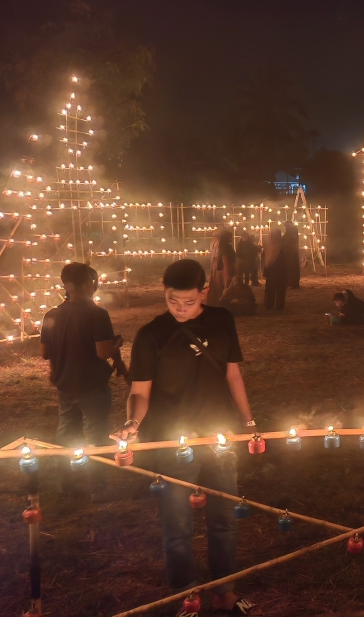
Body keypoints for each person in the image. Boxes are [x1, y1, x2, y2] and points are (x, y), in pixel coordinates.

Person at [111, 259, 260, 616]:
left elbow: (233, 375)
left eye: (188, 301)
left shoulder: (222, 320)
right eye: (172, 300)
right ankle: (186, 596)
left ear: (204, 292)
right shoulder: (151, 335)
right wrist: (132, 422)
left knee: (223, 518)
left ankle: (225, 591)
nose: (180, 308)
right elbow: (140, 392)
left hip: (218, 436)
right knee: (177, 523)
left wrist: (249, 421)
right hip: (170, 441)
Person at [41, 263, 126, 497]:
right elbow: (102, 352)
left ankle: (64, 482)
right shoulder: (97, 314)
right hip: (91, 385)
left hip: (65, 383)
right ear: (89, 283)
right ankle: (98, 487)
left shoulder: (52, 314)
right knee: (96, 433)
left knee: (66, 431)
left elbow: (44, 352)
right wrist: (115, 345)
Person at [206, 229, 236, 306]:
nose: (231, 238)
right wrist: (227, 275)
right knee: (223, 288)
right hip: (224, 269)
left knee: (216, 287)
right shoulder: (226, 247)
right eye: (230, 237)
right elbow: (225, 261)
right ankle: (221, 304)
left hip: (217, 269)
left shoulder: (216, 244)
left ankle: (215, 303)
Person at [263, 227, 288, 311]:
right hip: (271, 270)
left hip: (279, 270)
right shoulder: (269, 245)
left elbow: (280, 258)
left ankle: (279, 305)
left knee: (280, 288)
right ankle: (269, 304)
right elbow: (266, 258)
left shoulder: (281, 246)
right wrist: (266, 266)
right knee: (270, 287)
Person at [282, 221, 301, 289]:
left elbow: (289, 240)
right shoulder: (291, 232)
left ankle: (293, 283)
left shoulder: (292, 232)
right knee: (290, 268)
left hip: (292, 253)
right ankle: (291, 282)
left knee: (292, 268)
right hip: (290, 252)